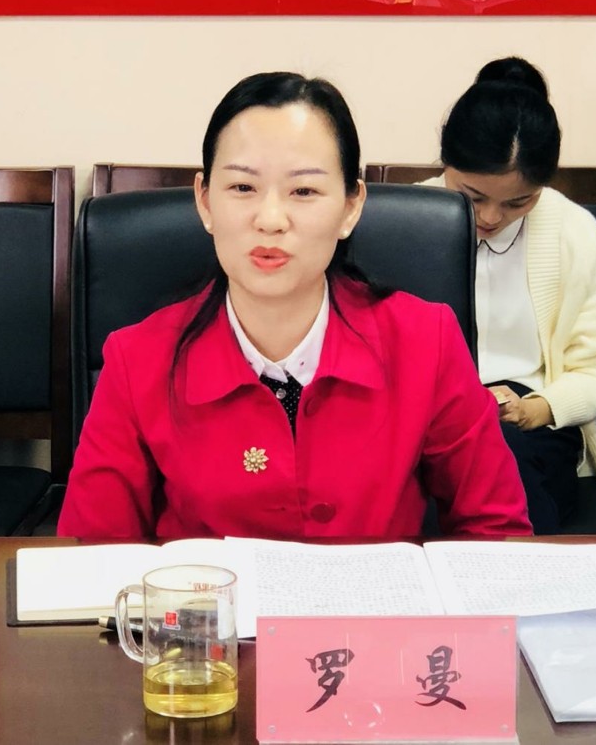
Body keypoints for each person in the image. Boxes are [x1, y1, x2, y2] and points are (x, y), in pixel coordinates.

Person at [58, 71, 531, 539]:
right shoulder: (137, 361)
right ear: (204, 202)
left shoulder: (426, 341)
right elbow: (90, 555)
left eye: (304, 191)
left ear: (350, 207)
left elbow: (496, 531)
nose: (270, 219)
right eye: (242, 188)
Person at [420, 57, 596, 533]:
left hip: (529, 422)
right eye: (473, 196)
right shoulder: (407, 221)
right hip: (422, 417)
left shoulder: (572, 230)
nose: (491, 217)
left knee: (501, 459)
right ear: (446, 162)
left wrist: (539, 408)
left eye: (519, 202)